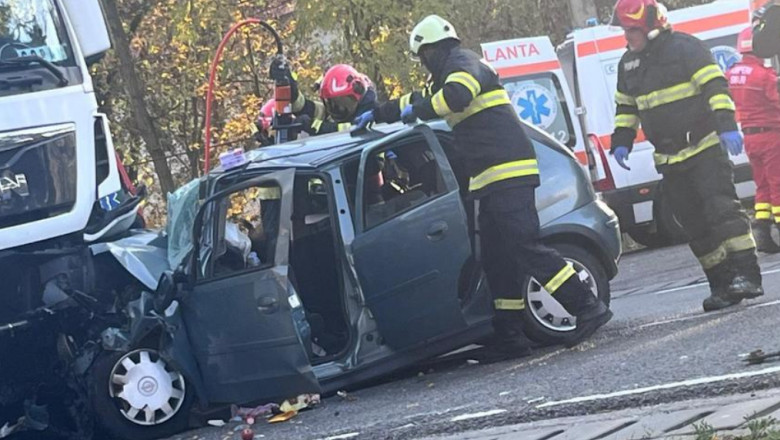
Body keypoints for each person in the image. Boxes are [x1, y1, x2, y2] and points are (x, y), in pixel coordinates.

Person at [354, 15, 612, 350]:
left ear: (431, 49)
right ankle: (510, 334)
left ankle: (586, 306)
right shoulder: (444, 73)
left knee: (525, 245)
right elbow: (413, 100)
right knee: (497, 257)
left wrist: (418, 110)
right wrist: (378, 112)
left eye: (422, 55)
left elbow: (456, 97)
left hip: (508, 171)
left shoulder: (464, 63)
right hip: (489, 177)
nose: (422, 63)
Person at [609, 0, 763, 311]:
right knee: (694, 225)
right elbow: (626, 108)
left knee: (723, 212)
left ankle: (748, 276)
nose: (627, 37)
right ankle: (721, 284)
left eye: (632, 31)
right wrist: (621, 141)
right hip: (669, 158)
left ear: (652, 28)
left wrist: (726, 126)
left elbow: (716, 88)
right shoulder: (628, 64)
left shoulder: (686, 49)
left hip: (704, 148)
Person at [726, 26, 780, 253]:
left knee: (763, 186)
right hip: (771, 135)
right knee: (778, 185)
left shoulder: (731, 75)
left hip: (749, 137)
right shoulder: (765, 75)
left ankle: (762, 231)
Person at [269, 60, 377, 136]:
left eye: (341, 103)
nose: (336, 109)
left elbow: (349, 131)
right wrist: (290, 86)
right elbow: (305, 107)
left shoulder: (373, 115)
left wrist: (314, 126)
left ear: (356, 95)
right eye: (330, 103)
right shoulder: (334, 113)